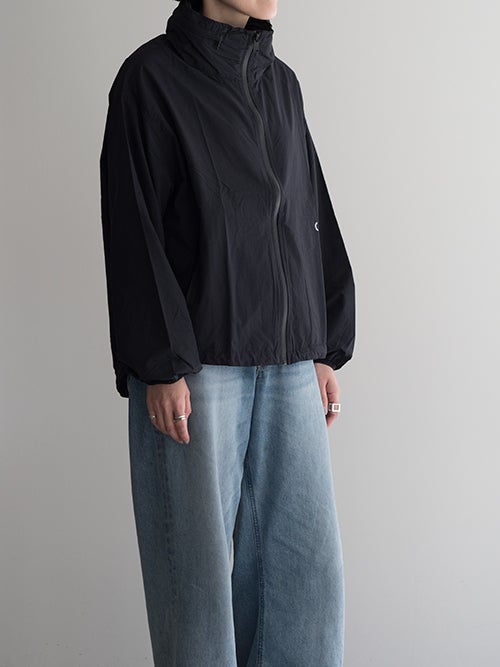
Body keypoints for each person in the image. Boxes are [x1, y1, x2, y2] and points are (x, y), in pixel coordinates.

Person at [99, 0, 355, 664]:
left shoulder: (282, 83)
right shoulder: (149, 79)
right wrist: (159, 361)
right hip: (196, 368)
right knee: (196, 583)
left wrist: (323, 344)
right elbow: (134, 226)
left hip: (291, 363)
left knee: (307, 577)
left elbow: (307, 211)